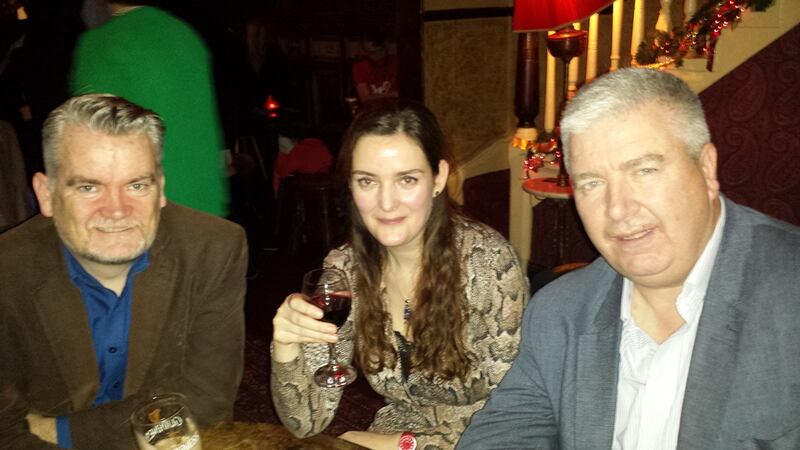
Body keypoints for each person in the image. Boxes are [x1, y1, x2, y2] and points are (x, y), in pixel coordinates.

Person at [458, 68, 800, 449]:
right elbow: (503, 437)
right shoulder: (560, 312)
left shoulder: (790, 293)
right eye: (592, 183)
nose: (618, 209)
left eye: (645, 170)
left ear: (706, 168)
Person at [271, 99, 529, 449]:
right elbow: (307, 422)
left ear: (438, 178)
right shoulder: (344, 271)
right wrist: (286, 345)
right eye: (367, 181)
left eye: (407, 179)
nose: (386, 203)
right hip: (396, 432)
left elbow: (516, 412)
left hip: (485, 437)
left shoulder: (489, 265)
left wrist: (404, 445)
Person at [0, 94, 247, 449]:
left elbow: (207, 404)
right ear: (47, 194)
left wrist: (64, 431)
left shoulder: (213, 248)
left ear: (160, 188)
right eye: (89, 187)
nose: (116, 210)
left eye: (136, 185)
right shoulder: (7, 272)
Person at [70, 0, 230, 217]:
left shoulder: (100, 44)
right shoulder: (186, 35)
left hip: (144, 212)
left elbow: (88, 137)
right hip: (204, 204)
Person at [352, 30, 399, 104]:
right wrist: (394, 94)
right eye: (372, 53)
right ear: (365, 52)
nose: (378, 56)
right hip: (373, 111)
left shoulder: (398, 62)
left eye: (381, 50)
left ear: (386, 46)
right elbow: (365, 99)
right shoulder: (360, 67)